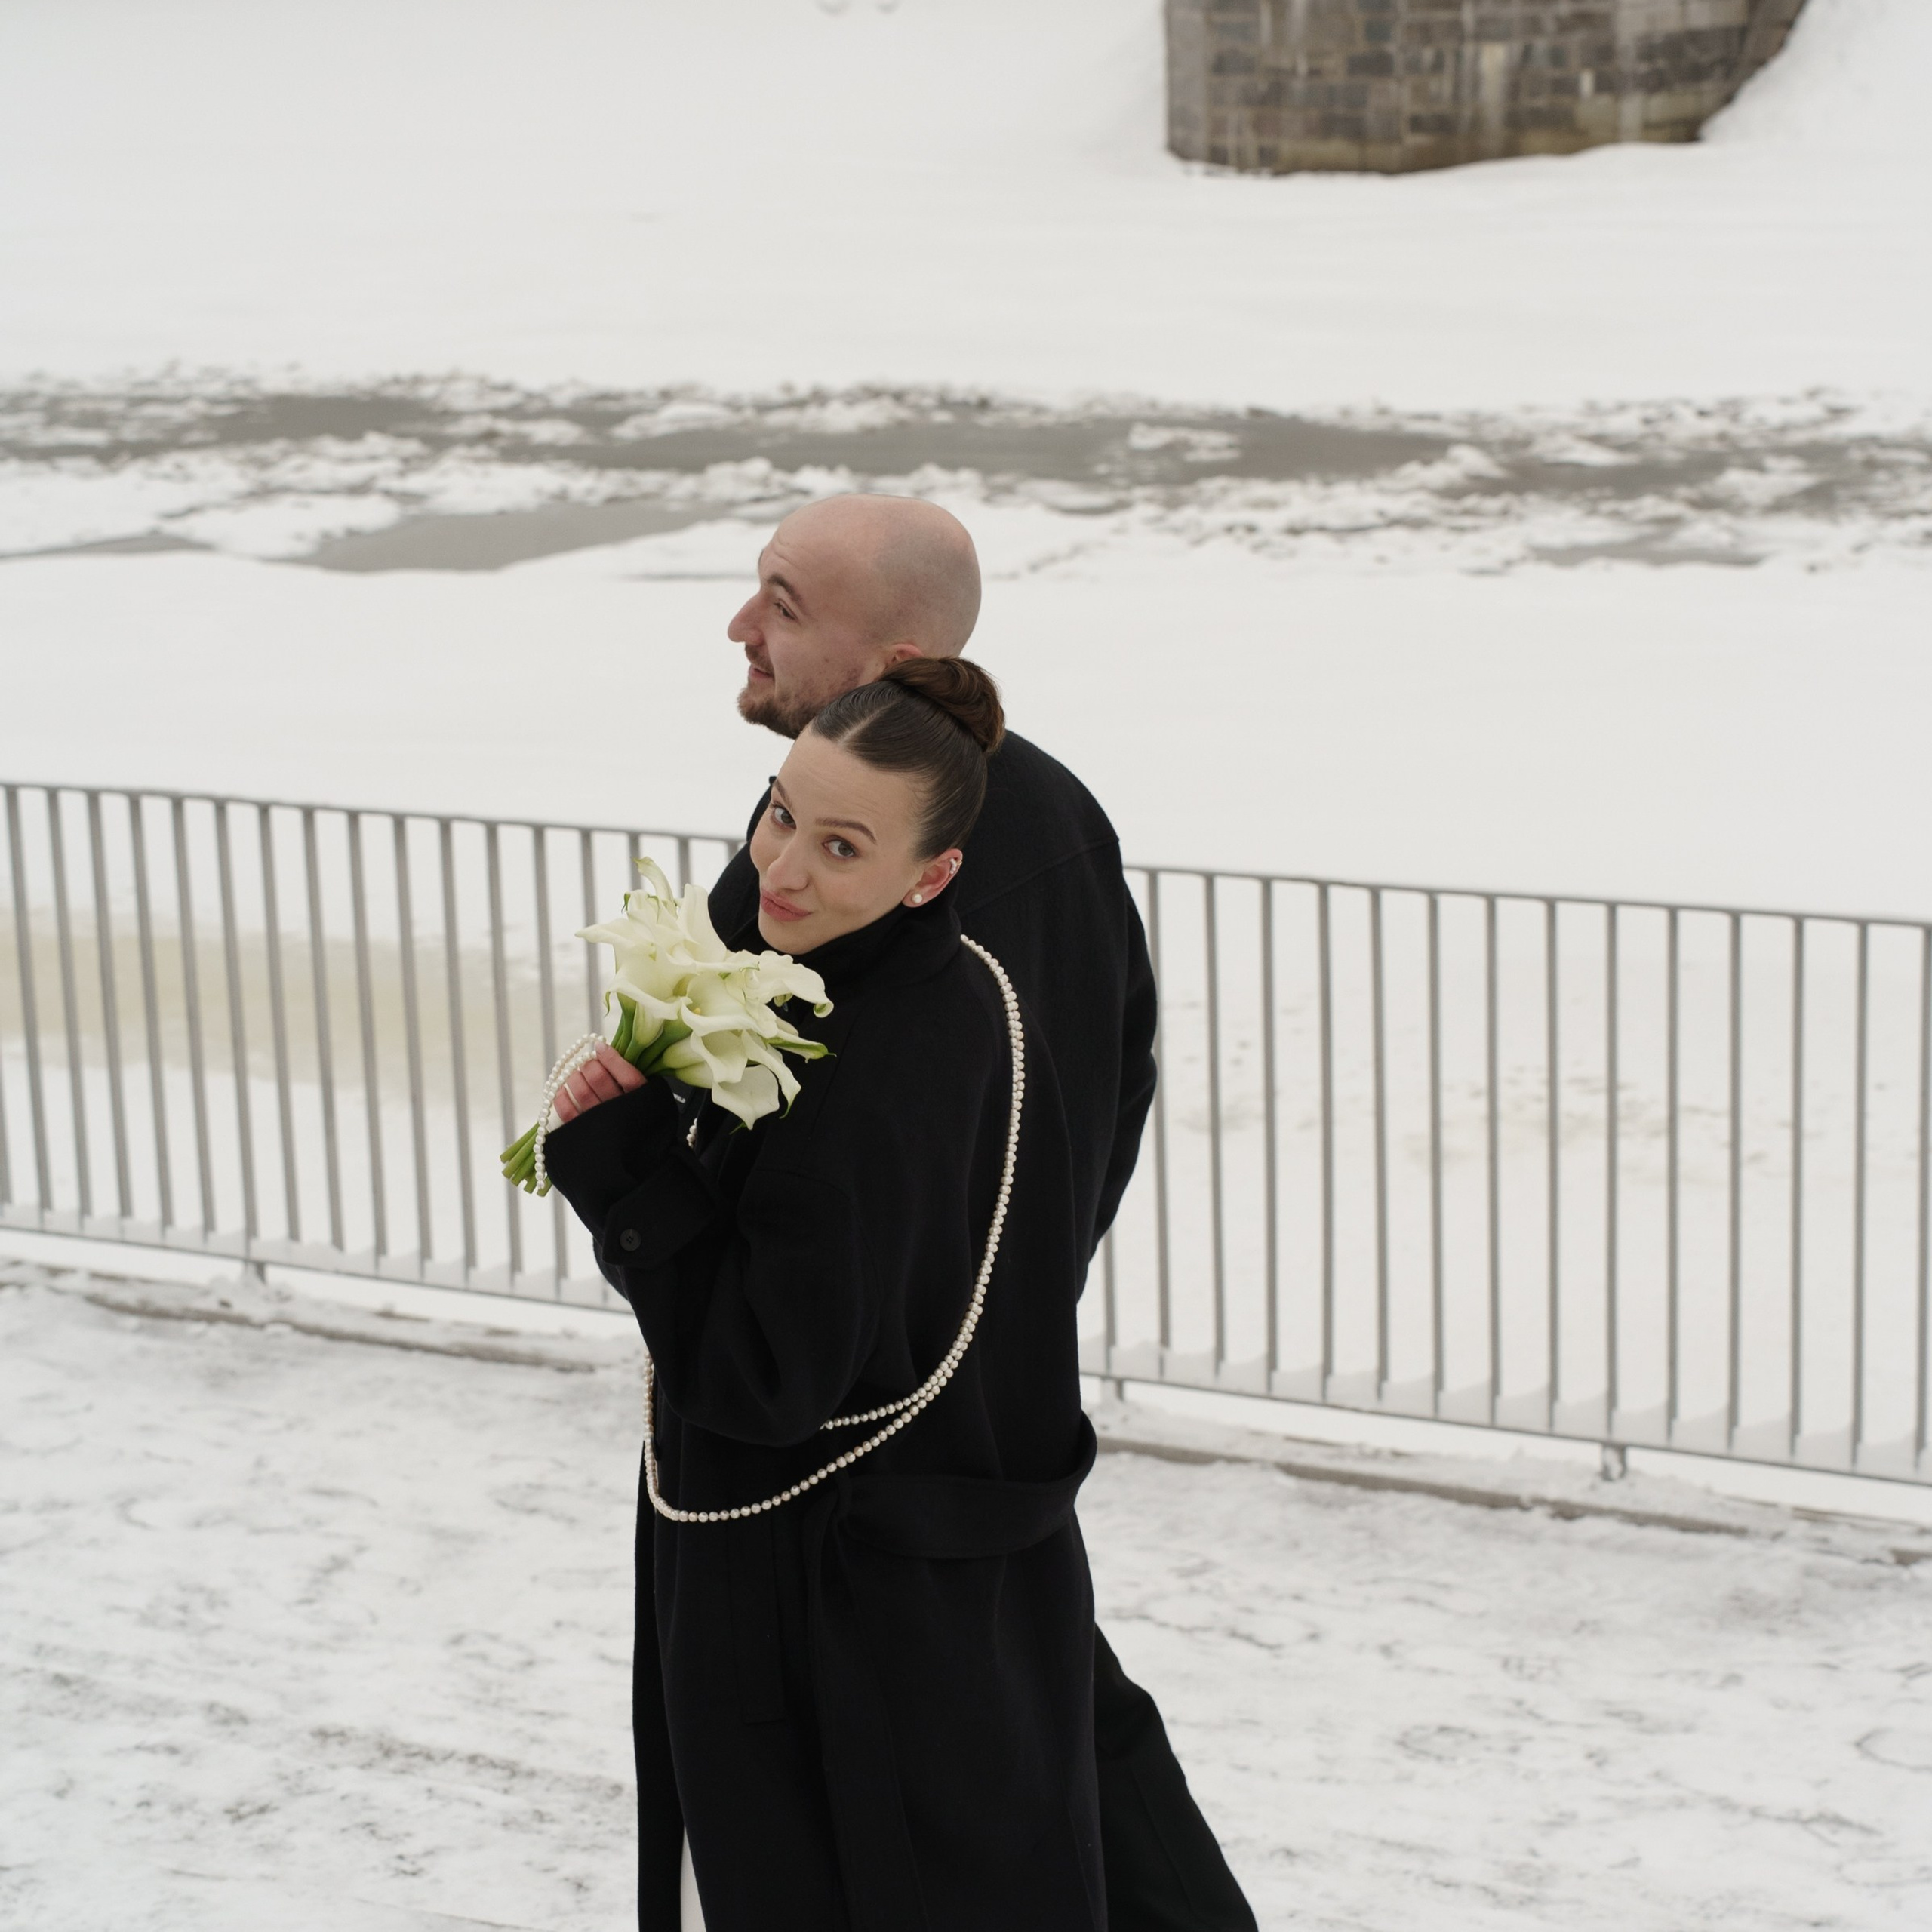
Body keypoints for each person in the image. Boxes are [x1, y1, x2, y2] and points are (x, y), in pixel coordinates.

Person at [703, 495, 1258, 1932]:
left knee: (940, 1811)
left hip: (869, 1438)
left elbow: (814, 1141)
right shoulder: (1040, 812)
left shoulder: (882, 879)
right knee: (1062, 1742)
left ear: (889, 659)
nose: (741, 627)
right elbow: (1113, 1093)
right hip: (979, 1403)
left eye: (782, 602)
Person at [544, 660, 1104, 1929]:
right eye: (781, 811)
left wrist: (625, 1174)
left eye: (841, 846)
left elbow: (757, 1378)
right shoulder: (947, 992)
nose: (783, 868)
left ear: (933, 874)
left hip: (825, 1609)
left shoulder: (874, 1057)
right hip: (917, 1579)